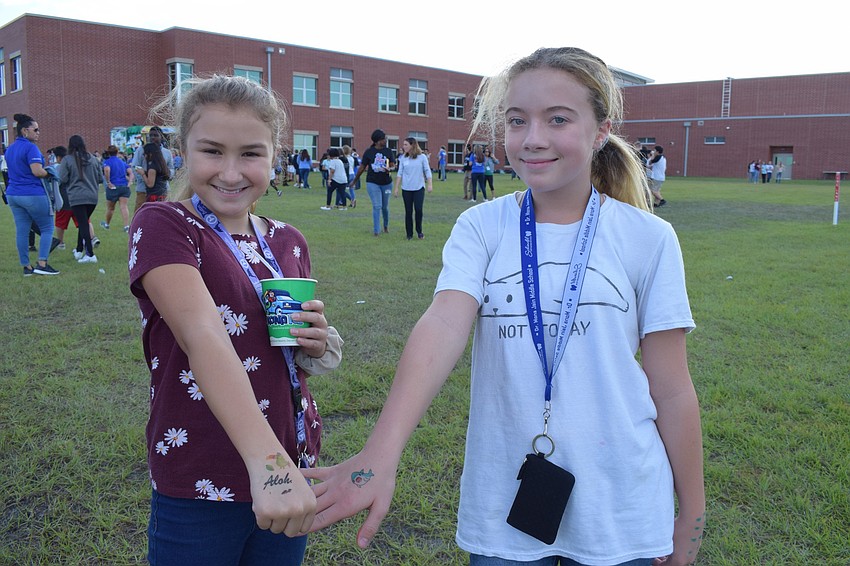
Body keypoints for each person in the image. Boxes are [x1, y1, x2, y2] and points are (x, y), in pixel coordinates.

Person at [304, 47, 705, 566]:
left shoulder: (648, 238)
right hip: (505, 505)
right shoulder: (482, 226)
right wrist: (382, 449)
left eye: (557, 119)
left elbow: (671, 389)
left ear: (601, 129)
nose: (533, 138)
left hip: (622, 509)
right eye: (517, 121)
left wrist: (690, 516)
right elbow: (445, 321)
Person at [129, 74, 343, 566]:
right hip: (204, 467)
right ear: (184, 150)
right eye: (211, 151)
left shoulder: (288, 239)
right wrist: (268, 466)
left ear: (274, 156)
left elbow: (282, 351)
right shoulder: (166, 225)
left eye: (250, 153)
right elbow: (203, 336)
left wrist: (315, 344)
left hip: (290, 462)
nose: (230, 172)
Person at [5, 113, 60, 276]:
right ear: (24, 131)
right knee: (47, 227)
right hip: (32, 193)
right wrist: (49, 172)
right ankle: (42, 264)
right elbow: (37, 171)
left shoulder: (10, 149)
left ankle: (27, 267)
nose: (38, 132)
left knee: (22, 230)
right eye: (35, 129)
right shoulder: (31, 148)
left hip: (13, 194)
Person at [59, 134, 103, 264]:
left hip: (77, 197)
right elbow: (100, 178)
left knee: (83, 224)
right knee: (83, 223)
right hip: (92, 197)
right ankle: (79, 250)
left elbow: (62, 179)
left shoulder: (67, 159)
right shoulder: (93, 159)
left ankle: (90, 254)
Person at [350, 129, 395, 236]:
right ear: (377, 141)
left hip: (387, 183)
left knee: (385, 207)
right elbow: (361, 168)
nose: (385, 140)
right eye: (383, 139)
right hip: (372, 182)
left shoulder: (388, 151)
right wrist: (355, 181)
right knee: (377, 206)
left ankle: (385, 225)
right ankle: (376, 230)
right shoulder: (369, 152)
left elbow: (393, 165)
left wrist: (390, 168)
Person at [393, 137, 433, 240]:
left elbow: (427, 171)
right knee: (408, 211)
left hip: (419, 188)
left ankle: (419, 231)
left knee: (418, 210)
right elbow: (399, 173)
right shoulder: (403, 158)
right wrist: (396, 187)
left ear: (412, 145)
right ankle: (409, 234)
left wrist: (429, 184)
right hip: (406, 189)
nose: (403, 146)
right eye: (404, 144)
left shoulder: (422, 157)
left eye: (406, 144)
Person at [132, 126, 174, 215]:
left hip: (162, 189)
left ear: (161, 137)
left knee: (162, 214)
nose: (152, 138)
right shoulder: (142, 150)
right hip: (144, 189)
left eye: (155, 135)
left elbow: (171, 168)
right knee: (140, 214)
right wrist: (144, 178)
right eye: (150, 135)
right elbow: (135, 166)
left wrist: (166, 176)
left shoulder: (167, 152)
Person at [102, 145, 133, 233]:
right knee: (124, 206)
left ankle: (107, 224)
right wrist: (130, 181)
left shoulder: (107, 162)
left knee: (111, 208)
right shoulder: (122, 162)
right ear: (117, 152)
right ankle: (126, 226)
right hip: (124, 186)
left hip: (113, 187)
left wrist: (108, 182)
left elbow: (107, 170)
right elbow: (130, 172)